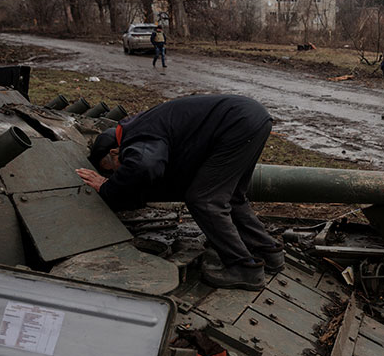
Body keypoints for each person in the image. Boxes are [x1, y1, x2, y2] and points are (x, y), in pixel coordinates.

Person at [75, 94, 283, 290]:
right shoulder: (144, 126)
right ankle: (269, 252)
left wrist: (107, 187)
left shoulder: (137, 136)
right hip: (248, 117)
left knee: (204, 200)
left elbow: (143, 166)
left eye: (109, 168)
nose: (112, 173)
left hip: (236, 122)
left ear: (114, 151)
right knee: (233, 197)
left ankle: (244, 269)